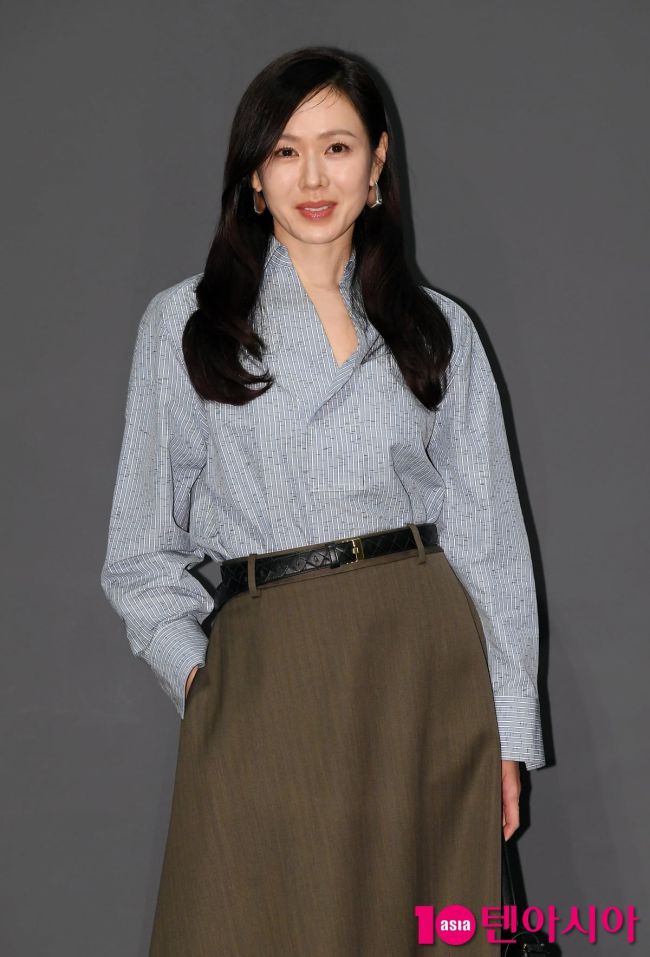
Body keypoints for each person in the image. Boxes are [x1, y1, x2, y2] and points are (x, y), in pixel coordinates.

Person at [101, 45, 545, 957]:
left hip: (421, 675)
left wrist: (507, 728)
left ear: (377, 164)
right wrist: (207, 683)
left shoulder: (438, 329)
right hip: (270, 675)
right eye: (285, 151)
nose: (312, 177)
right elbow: (140, 554)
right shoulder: (187, 324)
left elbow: (490, 542)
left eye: (337, 148)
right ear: (253, 176)